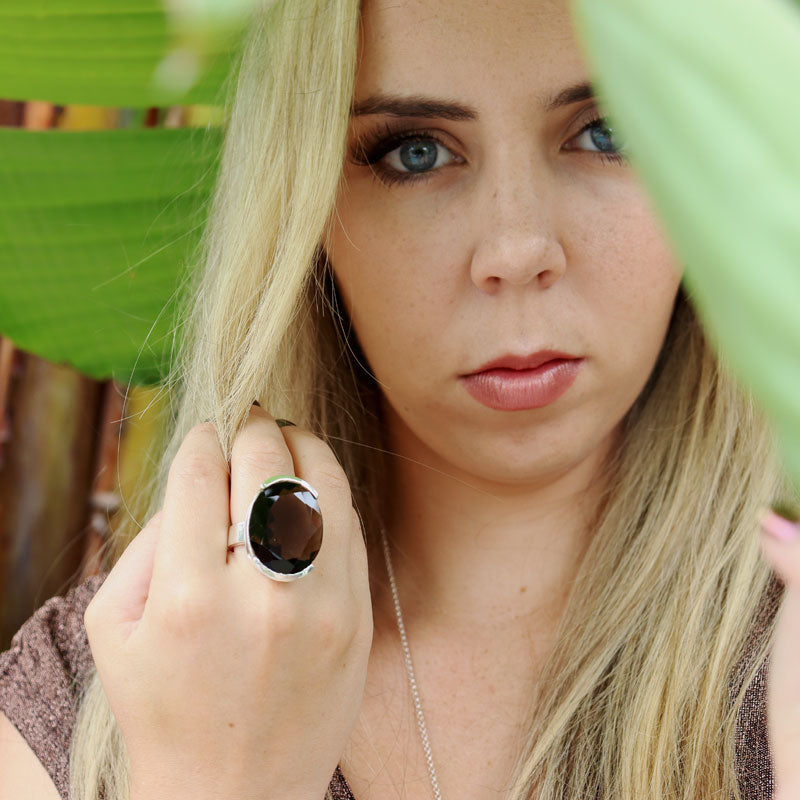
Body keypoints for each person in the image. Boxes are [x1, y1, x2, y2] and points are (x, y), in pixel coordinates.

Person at [1, 0, 797, 798]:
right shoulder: (78, 717)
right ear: (304, 203)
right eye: (416, 153)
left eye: (609, 132)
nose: (518, 250)